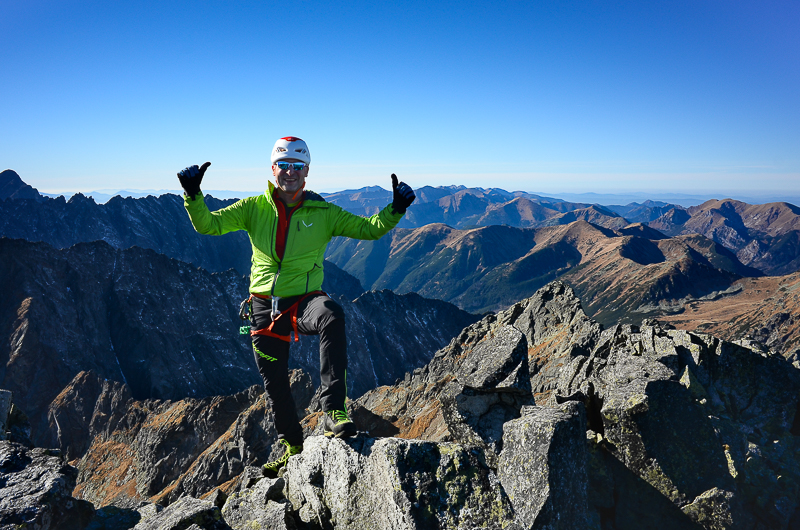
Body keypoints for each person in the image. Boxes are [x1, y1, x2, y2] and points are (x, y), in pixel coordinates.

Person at [177, 136, 415, 477]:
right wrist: (193, 195)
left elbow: (368, 229)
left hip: (304, 301)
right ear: (273, 169)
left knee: (332, 314)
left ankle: (334, 410)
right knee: (275, 384)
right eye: (284, 166)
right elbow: (208, 225)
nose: (290, 173)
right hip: (263, 308)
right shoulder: (252, 208)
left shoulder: (324, 212)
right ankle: (292, 448)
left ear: (307, 172)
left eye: (297, 167)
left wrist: (395, 209)